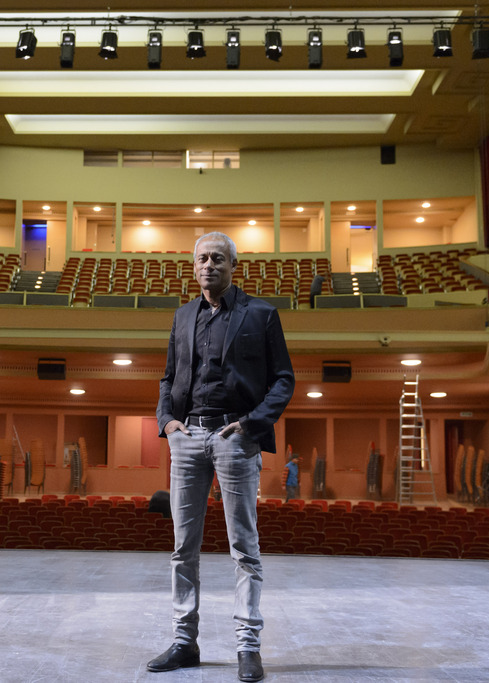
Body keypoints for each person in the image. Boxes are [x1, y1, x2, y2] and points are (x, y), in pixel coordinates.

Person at [151, 232, 295, 683]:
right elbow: (168, 378)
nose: (209, 264)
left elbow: (284, 379)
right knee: (182, 549)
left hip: (236, 435)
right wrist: (167, 423)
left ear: (234, 265)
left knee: (244, 548)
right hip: (188, 437)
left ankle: (248, 647)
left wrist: (252, 424)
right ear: (193, 267)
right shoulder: (182, 316)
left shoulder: (261, 314)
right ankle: (184, 642)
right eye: (202, 258)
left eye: (218, 258)